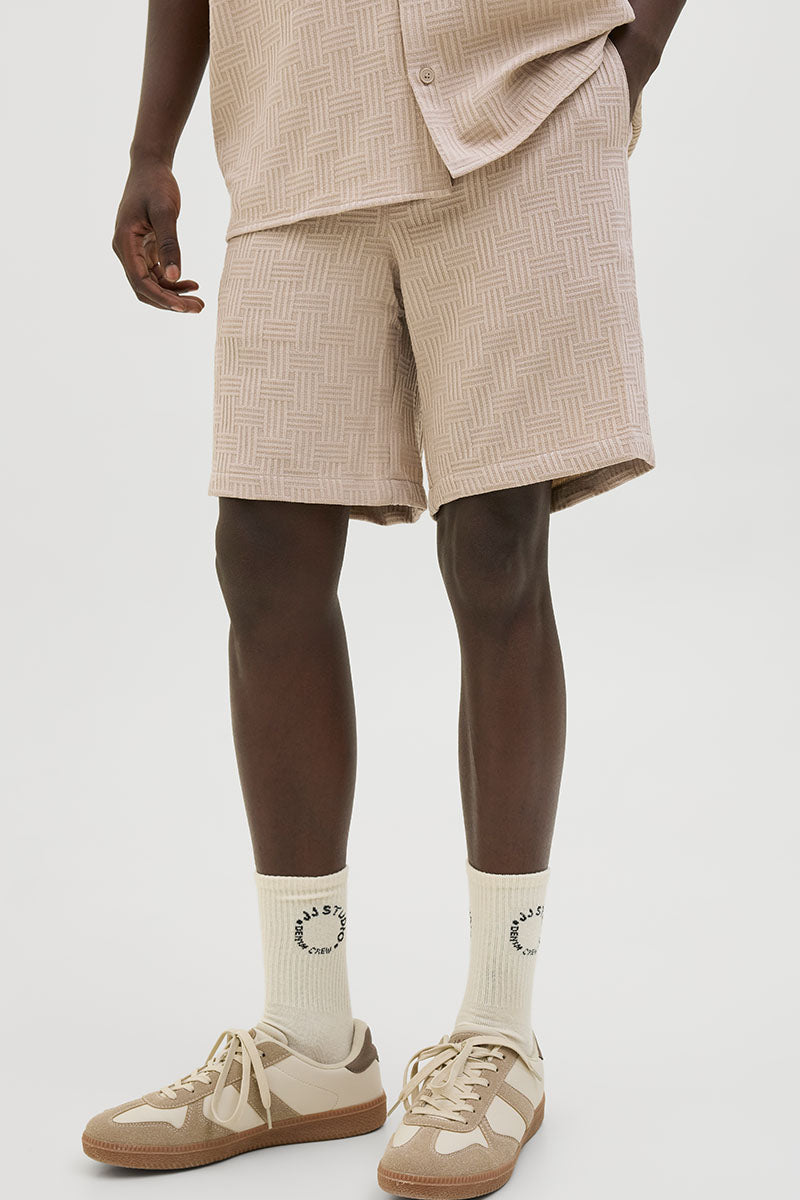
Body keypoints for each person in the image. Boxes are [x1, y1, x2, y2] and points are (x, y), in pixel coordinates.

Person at [83, 1, 686, 1195]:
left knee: (496, 550)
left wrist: (632, 58)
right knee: (262, 550)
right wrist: (152, 142)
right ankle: (310, 1040)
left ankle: (498, 1031)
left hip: (520, 105)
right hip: (296, 124)